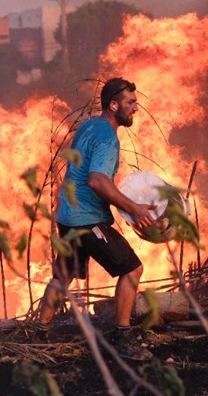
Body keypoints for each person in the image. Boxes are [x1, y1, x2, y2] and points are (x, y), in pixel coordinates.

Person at [33, 77, 156, 361]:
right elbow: (98, 181)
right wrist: (134, 208)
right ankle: (122, 337)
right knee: (133, 270)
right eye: (131, 103)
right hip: (87, 221)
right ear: (114, 105)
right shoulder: (107, 137)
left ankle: (39, 333)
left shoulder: (89, 125)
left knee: (61, 277)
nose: (135, 108)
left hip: (67, 215)